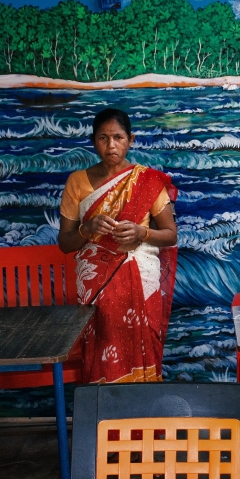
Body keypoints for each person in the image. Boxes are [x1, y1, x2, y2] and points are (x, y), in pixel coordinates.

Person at [58, 108, 178, 384]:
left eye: (118, 137)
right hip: (96, 286)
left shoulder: (147, 180)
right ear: (93, 140)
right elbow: (65, 243)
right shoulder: (77, 182)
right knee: (100, 350)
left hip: (141, 280)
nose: (111, 145)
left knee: (142, 347)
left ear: (130, 140)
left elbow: (170, 235)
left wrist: (141, 232)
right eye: (103, 138)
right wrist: (86, 229)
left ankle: (143, 423)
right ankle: (104, 423)